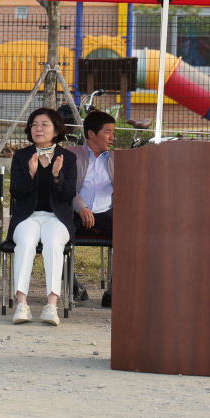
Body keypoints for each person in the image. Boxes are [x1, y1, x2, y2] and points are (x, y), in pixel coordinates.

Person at [8, 107, 77, 326]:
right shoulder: (21, 156)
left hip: (57, 218)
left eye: (44, 124)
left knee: (52, 243)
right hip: (27, 217)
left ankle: (51, 305)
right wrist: (30, 173)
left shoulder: (68, 157)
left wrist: (56, 175)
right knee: (26, 243)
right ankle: (21, 303)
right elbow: (16, 193)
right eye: (34, 124)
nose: (38, 128)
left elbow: (68, 195)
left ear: (56, 130)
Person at [65, 110, 116, 308]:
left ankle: (112, 292)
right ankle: (75, 286)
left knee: (128, 238)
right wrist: (81, 207)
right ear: (92, 134)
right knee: (56, 236)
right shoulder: (71, 154)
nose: (112, 137)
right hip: (74, 210)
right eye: (108, 132)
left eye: (113, 133)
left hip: (106, 211)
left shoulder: (116, 159)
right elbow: (65, 186)